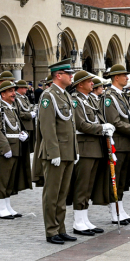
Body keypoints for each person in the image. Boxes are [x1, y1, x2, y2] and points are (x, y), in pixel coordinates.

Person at [34, 60, 78, 244]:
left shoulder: (65, 95)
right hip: (56, 153)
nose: (71, 76)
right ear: (58, 75)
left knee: (62, 194)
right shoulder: (48, 96)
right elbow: (47, 127)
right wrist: (54, 153)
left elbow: (70, 125)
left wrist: (75, 151)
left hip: (67, 151)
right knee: (52, 194)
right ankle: (51, 230)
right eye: (68, 73)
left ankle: (61, 228)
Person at [68, 71, 116, 235]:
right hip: (84, 148)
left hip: (95, 147)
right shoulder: (75, 101)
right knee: (82, 185)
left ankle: (85, 218)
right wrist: (101, 128)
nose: (92, 84)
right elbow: (81, 124)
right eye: (89, 82)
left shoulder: (89, 100)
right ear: (80, 84)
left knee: (88, 186)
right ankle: (78, 221)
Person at [0, 80, 32, 218]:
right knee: (3, 180)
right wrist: (5, 148)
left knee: (10, 180)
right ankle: (1, 207)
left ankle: (8, 205)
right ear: (2, 94)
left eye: (14, 91)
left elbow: (16, 126)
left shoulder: (12, 108)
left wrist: (23, 134)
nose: (13, 93)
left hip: (16, 147)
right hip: (4, 150)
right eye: (10, 91)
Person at [100, 64, 130, 225]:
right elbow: (115, 122)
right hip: (118, 144)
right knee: (115, 179)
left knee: (123, 179)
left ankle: (121, 209)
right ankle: (114, 211)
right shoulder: (109, 97)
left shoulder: (122, 95)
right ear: (116, 77)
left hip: (127, 143)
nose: (127, 77)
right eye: (124, 75)